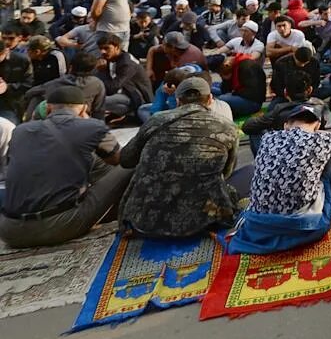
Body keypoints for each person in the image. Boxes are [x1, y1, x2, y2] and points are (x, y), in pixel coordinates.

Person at [0, 86, 131, 248]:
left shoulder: (19, 131)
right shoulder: (92, 127)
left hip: (9, 231)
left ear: (48, 108)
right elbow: (120, 160)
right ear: (83, 108)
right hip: (59, 226)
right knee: (131, 164)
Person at [117, 78, 240, 237]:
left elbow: (126, 159)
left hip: (146, 217)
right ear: (210, 99)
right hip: (205, 217)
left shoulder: (156, 120)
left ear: (177, 100)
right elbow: (227, 171)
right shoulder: (227, 127)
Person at [227, 103, 331, 254]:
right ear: (317, 124)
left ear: (286, 125)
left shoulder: (267, 138)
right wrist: (317, 133)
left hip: (260, 223)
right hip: (303, 227)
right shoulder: (320, 141)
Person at [95, 32, 153, 123]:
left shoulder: (126, 63)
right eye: (101, 49)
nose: (102, 52)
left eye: (106, 48)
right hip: (123, 95)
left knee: (97, 101)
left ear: (117, 47)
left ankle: (97, 124)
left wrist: (102, 71)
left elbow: (111, 88)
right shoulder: (109, 58)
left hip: (137, 98)